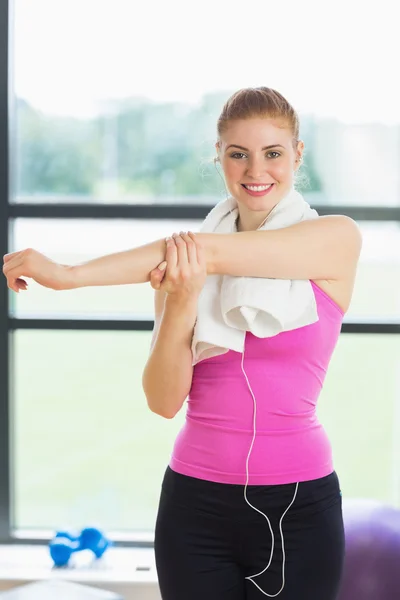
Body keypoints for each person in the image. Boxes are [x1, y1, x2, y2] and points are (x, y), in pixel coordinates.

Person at [3, 87, 362, 599]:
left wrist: (69, 275)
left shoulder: (335, 238)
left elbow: (211, 252)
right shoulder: (189, 268)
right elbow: (162, 400)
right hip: (194, 509)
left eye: (273, 153)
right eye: (238, 153)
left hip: (299, 509)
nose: (255, 170)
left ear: (297, 154)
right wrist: (182, 299)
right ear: (218, 155)